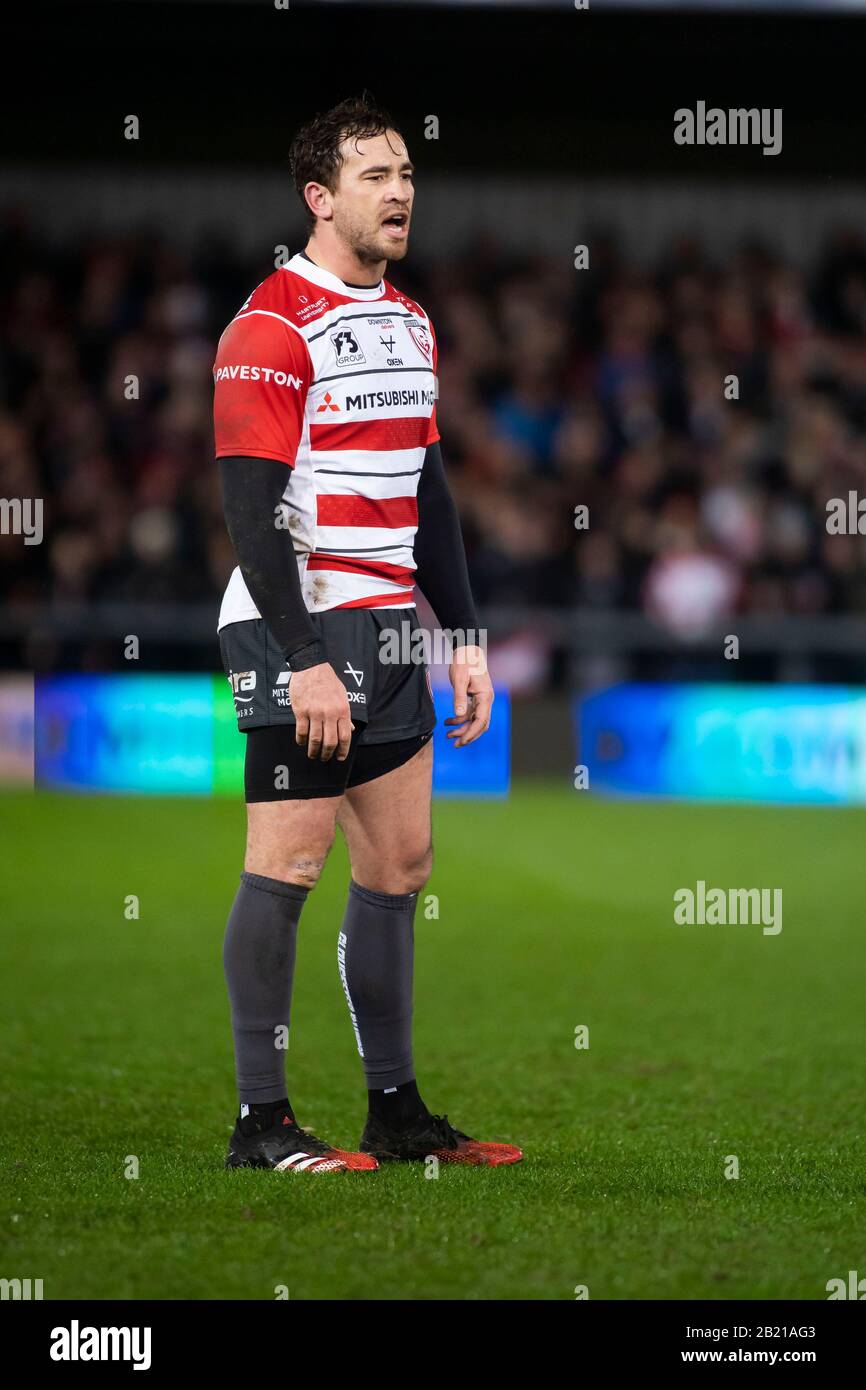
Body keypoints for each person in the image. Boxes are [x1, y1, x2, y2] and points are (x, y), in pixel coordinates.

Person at [214, 94, 522, 1173]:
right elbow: (249, 510)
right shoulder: (269, 324)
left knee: (399, 863)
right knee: (287, 865)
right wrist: (301, 657)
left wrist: (464, 634)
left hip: (391, 624)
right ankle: (260, 1125)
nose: (399, 192)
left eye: (405, 174)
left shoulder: (409, 321)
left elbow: (426, 491)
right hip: (297, 622)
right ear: (318, 197)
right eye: (374, 176)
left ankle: (394, 1112)